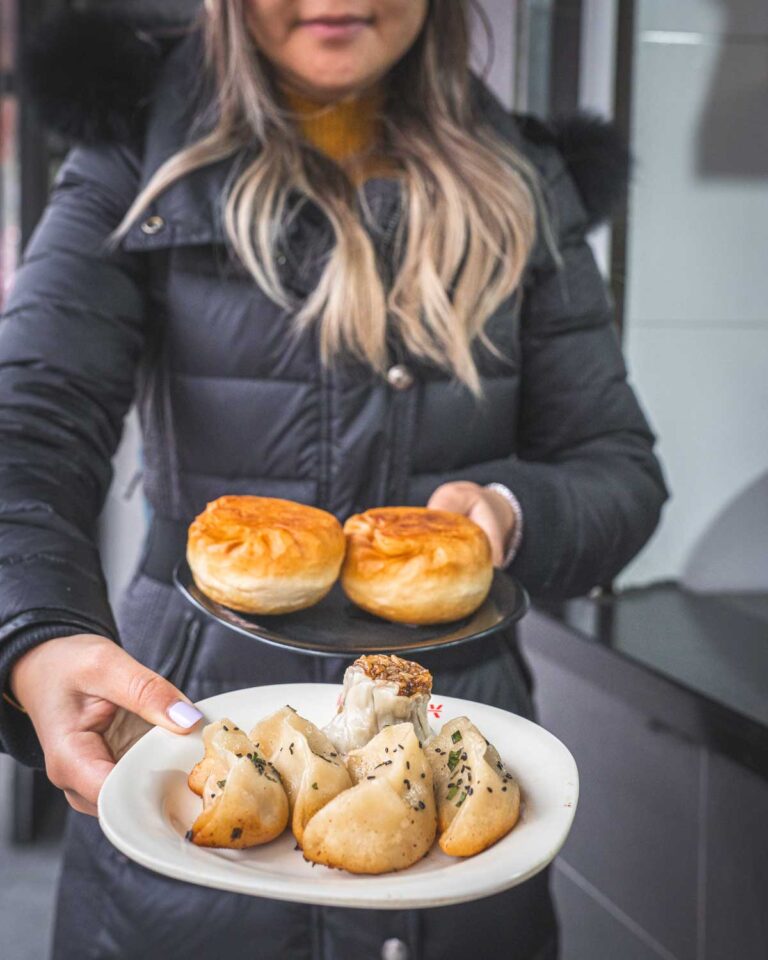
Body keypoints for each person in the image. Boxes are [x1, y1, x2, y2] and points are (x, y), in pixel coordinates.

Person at [0, 2, 667, 958]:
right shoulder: (137, 153)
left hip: (459, 773)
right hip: (184, 738)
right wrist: (36, 633)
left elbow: (620, 467)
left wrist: (509, 516)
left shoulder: (524, 177)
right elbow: (28, 419)